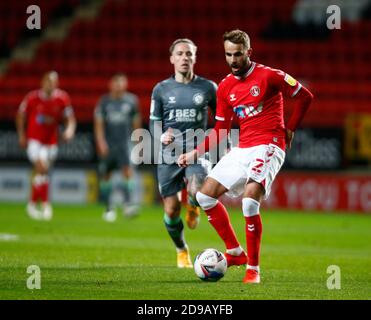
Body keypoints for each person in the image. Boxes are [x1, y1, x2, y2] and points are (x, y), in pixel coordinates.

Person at [177, 30, 314, 282]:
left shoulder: (270, 76)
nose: (233, 60)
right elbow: (220, 131)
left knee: (250, 201)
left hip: (270, 144)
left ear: (248, 53)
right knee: (204, 196)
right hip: (243, 147)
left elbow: (305, 96)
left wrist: (291, 128)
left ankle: (253, 269)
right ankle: (235, 252)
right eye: (228, 54)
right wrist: (194, 153)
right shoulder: (226, 87)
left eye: (238, 54)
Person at [150, 38, 217, 268]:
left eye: (189, 54)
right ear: (172, 59)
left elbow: (222, 121)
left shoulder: (208, 88)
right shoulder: (161, 89)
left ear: (195, 58)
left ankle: (193, 203)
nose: (184, 58)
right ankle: (181, 249)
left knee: (198, 189)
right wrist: (160, 136)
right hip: (169, 154)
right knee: (170, 210)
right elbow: (154, 122)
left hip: (198, 151)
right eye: (179, 54)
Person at [16, 71, 76, 220]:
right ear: (42, 82)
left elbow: (70, 118)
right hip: (34, 140)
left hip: (51, 141)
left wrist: (69, 130)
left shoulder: (62, 98)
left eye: (54, 81)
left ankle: (31, 204)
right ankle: (46, 205)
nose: (51, 84)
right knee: (41, 167)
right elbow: (20, 115)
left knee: (42, 173)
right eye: (48, 81)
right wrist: (21, 135)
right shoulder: (32, 97)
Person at [94, 73, 142, 222]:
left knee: (127, 172)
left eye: (122, 83)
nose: (119, 86)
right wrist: (101, 141)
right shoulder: (104, 102)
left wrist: (137, 141)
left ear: (125, 85)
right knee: (107, 174)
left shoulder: (132, 101)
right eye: (117, 83)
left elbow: (136, 121)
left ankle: (127, 205)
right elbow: (99, 123)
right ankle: (109, 207)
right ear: (111, 85)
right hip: (109, 143)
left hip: (125, 143)